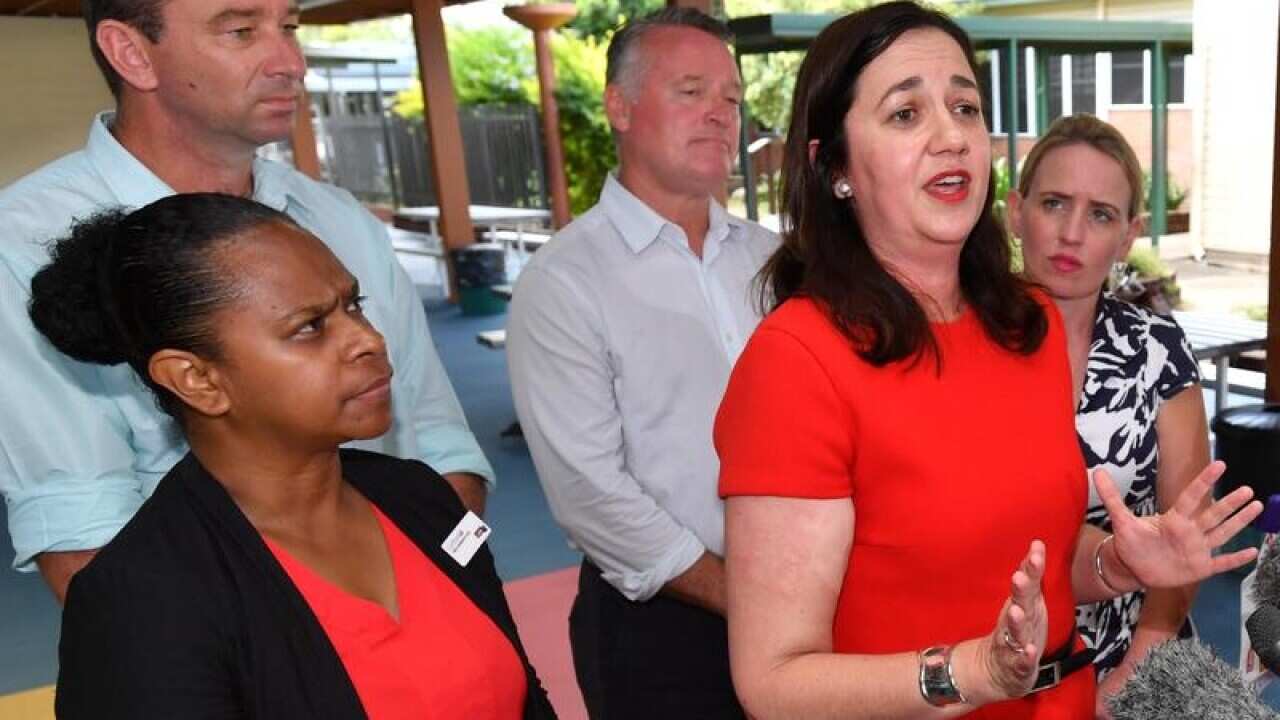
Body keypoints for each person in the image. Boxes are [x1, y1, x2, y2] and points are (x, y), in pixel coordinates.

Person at [712, 3, 1259, 719]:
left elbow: (1029, 552)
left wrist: (1117, 564)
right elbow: (773, 682)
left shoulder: (1020, 323)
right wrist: (974, 671)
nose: (951, 137)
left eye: (965, 107)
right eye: (906, 114)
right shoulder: (797, 361)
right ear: (834, 166)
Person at [0, 0, 492, 603]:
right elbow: (86, 543)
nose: (291, 62)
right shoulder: (23, 244)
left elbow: (442, 445)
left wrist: (450, 596)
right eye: (240, 30)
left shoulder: (335, 217)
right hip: (245, 670)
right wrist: (322, 655)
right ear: (132, 53)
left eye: (289, 27)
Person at [35, 193, 554, 720]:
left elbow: (525, 693)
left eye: (353, 305)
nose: (369, 340)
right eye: (309, 327)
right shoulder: (142, 603)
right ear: (198, 380)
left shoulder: (418, 497)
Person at [506, 7, 778, 718]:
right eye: (692, 91)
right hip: (663, 625)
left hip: (801, 603)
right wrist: (742, 595)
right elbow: (592, 494)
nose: (720, 114)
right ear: (619, 107)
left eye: (730, 99)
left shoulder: (771, 261)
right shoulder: (565, 282)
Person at [1008, 114, 1207, 717]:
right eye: (1054, 203)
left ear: (1128, 236)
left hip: (1136, 650)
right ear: (1016, 212)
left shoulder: (1157, 349)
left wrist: (1133, 672)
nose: (1072, 233)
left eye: (1100, 214)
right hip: (994, 658)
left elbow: (1184, 534)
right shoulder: (961, 343)